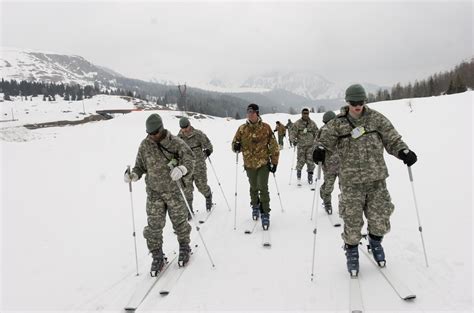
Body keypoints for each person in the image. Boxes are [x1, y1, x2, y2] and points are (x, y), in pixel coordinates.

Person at [313, 84, 417, 276]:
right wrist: (319, 150)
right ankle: (351, 250)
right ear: (347, 102)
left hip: (377, 180)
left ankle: (375, 241)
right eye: (354, 103)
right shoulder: (337, 124)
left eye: (360, 102)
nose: (357, 106)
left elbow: (392, 139)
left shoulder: (376, 119)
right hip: (351, 183)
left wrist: (403, 151)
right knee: (352, 223)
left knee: (381, 219)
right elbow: (324, 141)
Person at [124, 113, 195, 274]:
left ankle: (184, 246)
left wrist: (183, 169)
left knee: (180, 223)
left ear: (161, 129)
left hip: (174, 191)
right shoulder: (145, 145)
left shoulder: (176, 142)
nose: (152, 136)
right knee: (153, 226)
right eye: (149, 134)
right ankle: (157, 255)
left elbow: (190, 159)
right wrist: (133, 175)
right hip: (154, 193)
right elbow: (139, 166)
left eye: (155, 133)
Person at [231, 103, 280, 230]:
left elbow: (274, 146)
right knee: (253, 187)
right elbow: (234, 144)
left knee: (262, 187)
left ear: (257, 113)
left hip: (263, 164)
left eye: (252, 112)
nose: (250, 114)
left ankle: (265, 212)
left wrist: (274, 162)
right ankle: (255, 206)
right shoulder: (242, 129)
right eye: (248, 112)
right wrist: (236, 146)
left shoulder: (266, 128)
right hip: (249, 165)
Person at [178, 116, 214, 217]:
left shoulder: (198, 134)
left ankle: (208, 195)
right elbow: (176, 152)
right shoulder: (178, 138)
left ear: (189, 125)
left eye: (186, 127)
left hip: (199, 166)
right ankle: (189, 210)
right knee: (187, 190)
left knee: (201, 186)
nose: (185, 129)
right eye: (182, 127)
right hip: (185, 168)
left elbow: (209, 146)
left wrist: (207, 151)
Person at [316, 111, 339, 214]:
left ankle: (345, 206)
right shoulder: (322, 131)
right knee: (329, 185)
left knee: (346, 187)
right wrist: (317, 152)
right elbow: (316, 144)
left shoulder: (341, 128)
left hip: (344, 164)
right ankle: (327, 201)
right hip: (329, 164)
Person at [290, 108, 318, 185]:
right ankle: (299, 176)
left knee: (310, 162)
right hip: (301, 146)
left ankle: (310, 177)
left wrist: (317, 142)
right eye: (304, 113)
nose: (305, 115)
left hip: (310, 146)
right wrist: (293, 140)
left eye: (307, 113)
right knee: (300, 161)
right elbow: (292, 133)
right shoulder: (297, 123)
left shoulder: (312, 123)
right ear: (302, 114)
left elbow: (317, 133)